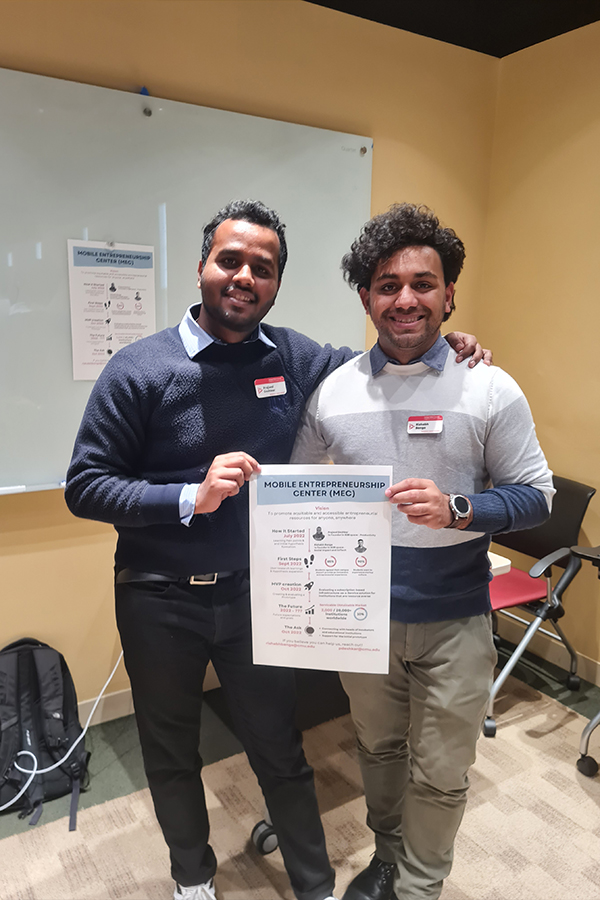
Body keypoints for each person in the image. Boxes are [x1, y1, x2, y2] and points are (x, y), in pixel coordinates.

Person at [65, 199, 489, 900]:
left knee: (280, 749)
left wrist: (447, 343)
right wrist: (185, 497)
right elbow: (85, 486)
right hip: (155, 596)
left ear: (275, 283)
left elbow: (386, 360)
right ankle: (193, 879)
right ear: (202, 266)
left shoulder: (293, 358)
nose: (243, 277)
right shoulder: (138, 368)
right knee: (171, 752)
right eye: (229, 260)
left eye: (262, 268)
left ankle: (314, 885)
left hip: (258, 594)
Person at [290, 203, 554, 900]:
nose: (405, 299)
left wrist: (458, 508)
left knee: (441, 771)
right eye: (387, 284)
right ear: (366, 297)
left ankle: (419, 888)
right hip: (361, 615)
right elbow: (302, 493)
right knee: (378, 750)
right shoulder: (333, 391)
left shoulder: (490, 386)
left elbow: (536, 497)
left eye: (423, 283)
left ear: (449, 294)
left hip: (455, 616)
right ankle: (386, 858)